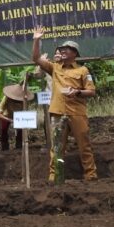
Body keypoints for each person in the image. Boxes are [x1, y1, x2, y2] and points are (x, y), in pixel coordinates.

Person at [32, 26, 97, 182]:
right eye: (62, 49)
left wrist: (77, 92)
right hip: (58, 112)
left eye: (67, 49)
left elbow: (92, 91)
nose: (63, 51)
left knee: (84, 145)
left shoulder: (83, 70)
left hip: (77, 112)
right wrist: (36, 39)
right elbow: (36, 59)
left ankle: (90, 174)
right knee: (56, 147)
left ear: (74, 53)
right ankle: (54, 175)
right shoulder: (54, 68)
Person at [0, 81, 32, 151]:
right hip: (6, 115)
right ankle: (4, 147)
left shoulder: (24, 100)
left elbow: (25, 113)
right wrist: (10, 120)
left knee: (20, 131)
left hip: (19, 116)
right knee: (4, 130)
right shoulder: (6, 98)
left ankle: (19, 146)